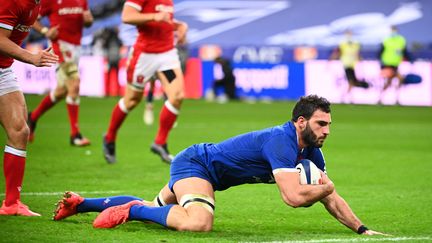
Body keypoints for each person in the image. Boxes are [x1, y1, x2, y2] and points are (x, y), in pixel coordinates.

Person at [53, 95, 386, 235]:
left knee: (161, 207)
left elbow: (331, 197)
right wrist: (325, 187)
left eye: (329, 124)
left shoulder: (311, 148)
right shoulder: (282, 142)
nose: (327, 130)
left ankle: (82, 204)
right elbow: (293, 198)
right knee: (198, 222)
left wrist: (362, 229)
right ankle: (131, 210)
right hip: (198, 165)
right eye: (321, 124)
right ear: (301, 122)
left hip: (204, 170)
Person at [102, 0, 188, 164]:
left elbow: (164, 22)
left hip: (166, 56)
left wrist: (179, 26)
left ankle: (160, 142)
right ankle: (109, 136)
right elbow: (127, 16)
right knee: (132, 100)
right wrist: (155, 16)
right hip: (144, 56)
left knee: (177, 96)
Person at [0, 0, 58, 216]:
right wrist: (31, 57)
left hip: (3, 70)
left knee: (20, 130)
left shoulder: (37, 4)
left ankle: (11, 204)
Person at [27, 0, 94, 146]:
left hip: (76, 48)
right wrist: (46, 31)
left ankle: (32, 117)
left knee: (62, 91)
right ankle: (75, 135)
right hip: (61, 46)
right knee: (74, 85)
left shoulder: (82, 1)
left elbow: (88, 21)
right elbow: (31, 18)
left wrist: (89, 21)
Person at [330, 29, 369, 100]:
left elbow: (357, 53)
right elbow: (338, 52)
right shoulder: (343, 43)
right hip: (346, 64)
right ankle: (346, 97)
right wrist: (331, 59)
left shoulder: (355, 44)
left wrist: (360, 59)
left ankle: (345, 97)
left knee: (353, 82)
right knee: (351, 81)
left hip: (353, 65)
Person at [379, 26, 411, 91]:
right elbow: (381, 50)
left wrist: (408, 58)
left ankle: (383, 95)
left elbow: (404, 51)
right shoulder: (386, 39)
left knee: (391, 79)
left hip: (396, 62)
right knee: (394, 78)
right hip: (387, 62)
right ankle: (389, 94)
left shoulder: (401, 39)